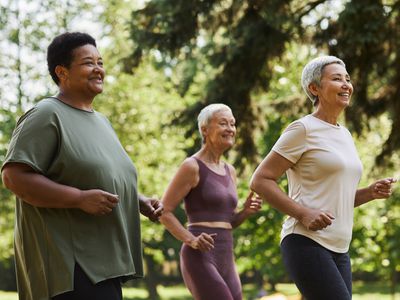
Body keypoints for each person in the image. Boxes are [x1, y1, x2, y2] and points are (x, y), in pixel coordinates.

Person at [1, 32, 162, 300]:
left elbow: (99, 177)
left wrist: (138, 201)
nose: (98, 69)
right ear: (62, 72)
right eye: (88, 63)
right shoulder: (46, 114)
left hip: (105, 264)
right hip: (70, 270)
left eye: (100, 62)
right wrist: (78, 199)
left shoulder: (102, 122)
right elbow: (14, 177)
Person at [250, 56, 396, 300]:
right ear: (314, 88)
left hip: (340, 248)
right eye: (337, 78)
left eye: (347, 79)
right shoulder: (302, 129)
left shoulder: (345, 135)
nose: (346, 84)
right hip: (305, 242)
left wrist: (369, 193)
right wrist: (303, 214)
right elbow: (260, 180)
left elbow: (336, 199)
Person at [160, 103, 262, 300]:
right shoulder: (192, 166)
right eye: (223, 123)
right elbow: (164, 212)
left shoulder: (229, 171)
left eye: (232, 124)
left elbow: (227, 222)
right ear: (204, 130)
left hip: (226, 254)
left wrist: (245, 212)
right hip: (199, 255)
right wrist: (191, 239)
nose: (230, 129)